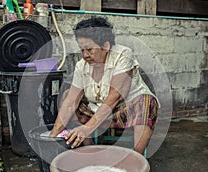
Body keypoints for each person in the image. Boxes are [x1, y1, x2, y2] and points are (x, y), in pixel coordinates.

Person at [50, 17, 159, 155]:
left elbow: (115, 97)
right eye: (82, 50)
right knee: (67, 96)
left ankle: (136, 158)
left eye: (89, 49)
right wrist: (52, 137)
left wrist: (87, 128)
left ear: (106, 46)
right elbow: (71, 102)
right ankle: (89, 151)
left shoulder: (122, 55)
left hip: (124, 111)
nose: (85, 55)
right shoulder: (81, 66)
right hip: (96, 111)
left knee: (146, 101)